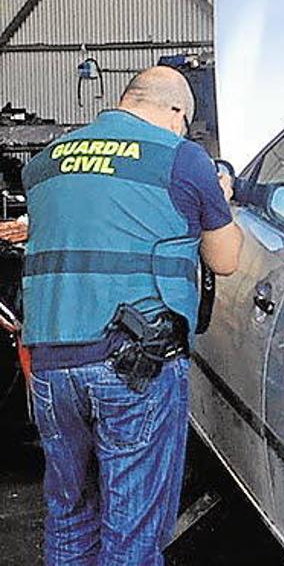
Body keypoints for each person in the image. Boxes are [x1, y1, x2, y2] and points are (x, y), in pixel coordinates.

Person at [20, 66, 244, 566]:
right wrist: (217, 196)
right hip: (134, 366)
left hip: (51, 366)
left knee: (70, 515)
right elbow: (226, 260)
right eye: (185, 124)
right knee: (133, 530)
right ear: (175, 113)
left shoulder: (45, 163)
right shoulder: (183, 159)